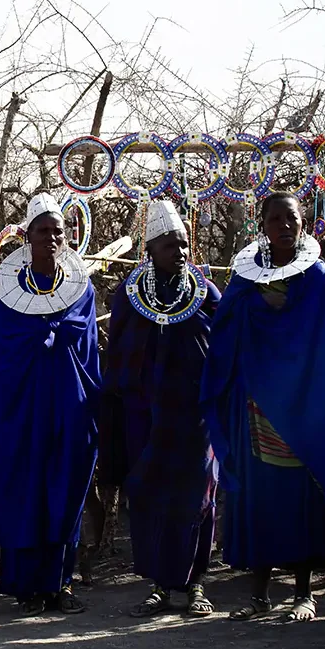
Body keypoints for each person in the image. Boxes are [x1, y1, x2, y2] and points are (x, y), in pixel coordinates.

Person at [200, 192, 325, 623]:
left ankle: (303, 593)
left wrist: (276, 311)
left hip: (302, 407)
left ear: (304, 224)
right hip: (255, 408)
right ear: (261, 225)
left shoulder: (316, 277)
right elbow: (225, 324)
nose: (284, 225)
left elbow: (318, 340)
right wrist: (255, 303)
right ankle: (259, 594)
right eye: (275, 219)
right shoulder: (246, 279)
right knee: (259, 500)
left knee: (301, 499)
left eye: (292, 218)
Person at [99, 201, 221, 618]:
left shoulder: (204, 290)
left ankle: (196, 582)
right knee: (150, 496)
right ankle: (158, 585)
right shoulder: (131, 295)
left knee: (197, 498)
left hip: (195, 418)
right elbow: (120, 354)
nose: (180, 252)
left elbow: (219, 343)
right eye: (170, 245)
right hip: (146, 415)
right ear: (150, 249)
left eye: (184, 244)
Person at [0, 192, 101, 617]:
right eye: (43, 230)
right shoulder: (10, 293)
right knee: (26, 489)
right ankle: (26, 586)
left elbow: (87, 346)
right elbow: (6, 351)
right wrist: (41, 338)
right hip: (21, 410)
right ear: (28, 237)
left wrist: (57, 334)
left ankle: (62, 584)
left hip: (68, 406)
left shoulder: (80, 289)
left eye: (58, 230)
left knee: (64, 488)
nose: (52, 237)